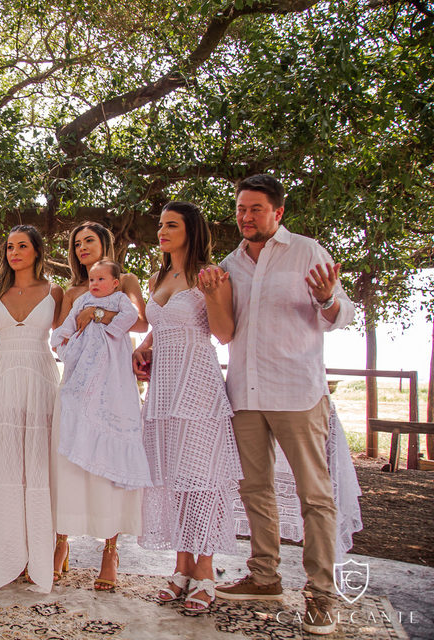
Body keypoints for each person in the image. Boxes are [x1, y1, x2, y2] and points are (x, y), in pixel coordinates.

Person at [213, 174, 354, 636]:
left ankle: (321, 595)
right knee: (254, 490)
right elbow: (222, 327)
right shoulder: (229, 264)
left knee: (314, 495)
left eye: (255, 208)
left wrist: (327, 298)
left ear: (278, 213)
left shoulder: (308, 252)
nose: (245, 216)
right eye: (240, 208)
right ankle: (264, 576)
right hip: (246, 394)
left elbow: (342, 315)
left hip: (297, 392)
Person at [132, 201, 242, 613]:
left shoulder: (209, 276)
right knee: (173, 478)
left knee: (203, 479)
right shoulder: (159, 275)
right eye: (160, 224)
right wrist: (142, 351)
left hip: (197, 386)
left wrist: (214, 294)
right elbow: (159, 331)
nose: (162, 231)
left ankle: (206, 572)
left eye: (171, 225)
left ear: (191, 230)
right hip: (161, 392)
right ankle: (180, 567)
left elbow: (224, 332)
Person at [0, 225, 63, 593]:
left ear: (37, 250)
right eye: (9, 247)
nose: (14, 252)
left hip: (40, 382)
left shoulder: (55, 291)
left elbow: (69, 336)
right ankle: (4, 556)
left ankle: (40, 559)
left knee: (36, 467)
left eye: (22, 246)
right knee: (3, 466)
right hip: (3, 382)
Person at [51, 221, 148, 591]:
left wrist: (99, 314)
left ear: (104, 243)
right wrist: (79, 318)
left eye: (88, 241)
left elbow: (139, 322)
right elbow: (61, 334)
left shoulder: (126, 282)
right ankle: (62, 542)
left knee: (110, 468)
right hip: (76, 386)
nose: (81, 248)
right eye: (76, 244)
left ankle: (111, 550)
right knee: (69, 464)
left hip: (114, 387)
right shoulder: (73, 290)